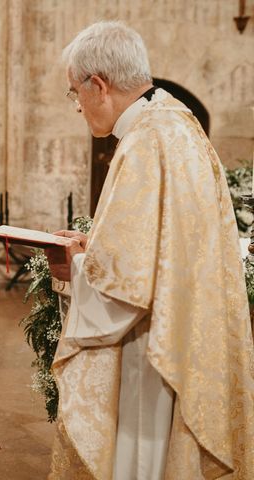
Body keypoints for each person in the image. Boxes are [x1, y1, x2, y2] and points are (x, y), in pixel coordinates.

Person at [44, 21, 254, 479]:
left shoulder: (146, 142)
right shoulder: (179, 124)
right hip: (184, 335)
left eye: (73, 93)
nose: (77, 107)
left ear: (97, 85)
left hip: (152, 350)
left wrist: (75, 261)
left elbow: (124, 289)